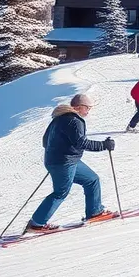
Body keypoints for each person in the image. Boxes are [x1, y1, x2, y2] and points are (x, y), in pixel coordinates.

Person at [26, 94, 116, 232]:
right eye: (88, 108)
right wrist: (104, 145)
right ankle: (37, 223)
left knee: (92, 180)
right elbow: (81, 143)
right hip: (63, 162)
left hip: (65, 160)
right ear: (80, 107)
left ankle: (95, 212)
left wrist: (58, 149)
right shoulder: (74, 120)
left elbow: (45, 141)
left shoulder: (59, 118)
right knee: (60, 192)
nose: (88, 111)